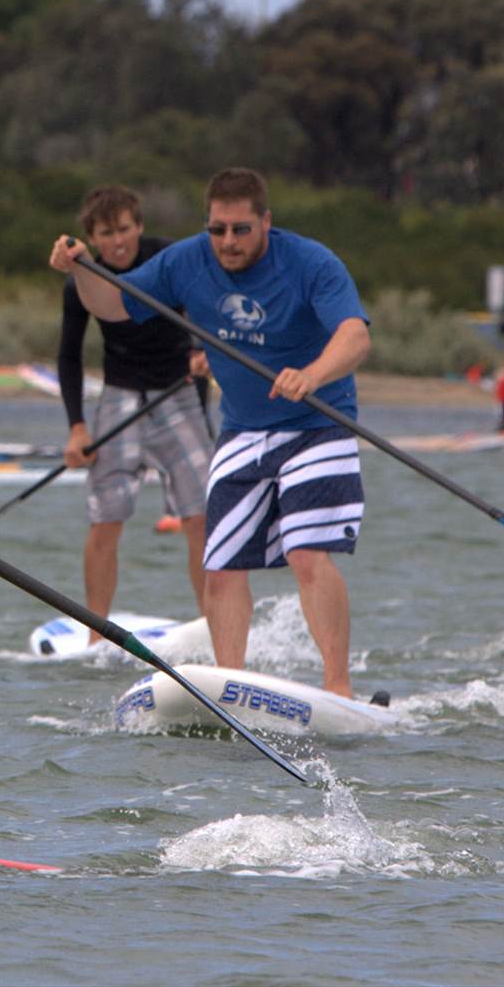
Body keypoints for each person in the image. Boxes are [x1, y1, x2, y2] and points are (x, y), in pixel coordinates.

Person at [51, 167, 371, 699]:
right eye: (218, 229)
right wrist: (82, 267)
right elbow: (110, 304)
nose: (228, 241)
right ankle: (232, 687)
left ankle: (338, 688)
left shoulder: (310, 262)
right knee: (221, 566)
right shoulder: (186, 260)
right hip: (243, 429)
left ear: (265, 222)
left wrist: (313, 375)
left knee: (305, 553)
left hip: (319, 422)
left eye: (241, 229)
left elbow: (355, 336)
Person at [52, 184, 213, 624]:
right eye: (106, 233)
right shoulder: (82, 280)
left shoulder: (168, 258)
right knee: (106, 521)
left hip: (179, 393)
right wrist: (77, 428)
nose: (118, 241)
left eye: (125, 229)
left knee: (200, 518)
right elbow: (68, 356)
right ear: (93, 237)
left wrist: (202, 348)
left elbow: (204, 302)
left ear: (139, 227)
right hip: (119, 400)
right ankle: (95, 635)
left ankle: (215, 627)